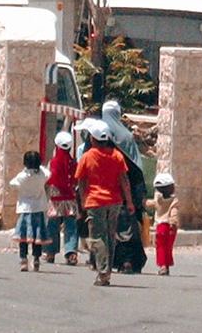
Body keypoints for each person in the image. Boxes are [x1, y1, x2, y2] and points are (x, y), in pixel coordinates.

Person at [74, 120, 134, 287]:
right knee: (110, 236)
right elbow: (124, 180)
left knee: (98, 238)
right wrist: (129, 202)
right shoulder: (117, 156)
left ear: (92, 139)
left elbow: (82, 182)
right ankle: (107, 269)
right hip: (114, 202)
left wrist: (84, 201)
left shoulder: (87, 157)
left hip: (95, 203)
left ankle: (103, 272)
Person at [101, 100, 148, 274]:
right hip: (126, 189)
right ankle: (128, 260)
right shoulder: (126, 137)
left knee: (104, 226)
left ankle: (104, 260)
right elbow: (137, 167)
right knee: (127, 225)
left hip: (104, 188)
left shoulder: (99, 136)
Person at [10, 149, 50, 272]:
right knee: (37, 237)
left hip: (25, 209)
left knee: (23, 237)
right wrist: (40, 168)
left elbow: (12, 183)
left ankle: (23, 261)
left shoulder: (22, 177)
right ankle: (36, 260)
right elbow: (48, 174)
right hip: (38, 208)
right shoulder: (42, 175)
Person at [44, 131, 80, 265]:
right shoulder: (72, 163)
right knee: (70, 225)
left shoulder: (53, 162)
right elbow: (76, 178)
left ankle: (50, 252)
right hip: (69, 195)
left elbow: (50, 178)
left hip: (56, 196)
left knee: (52, 224)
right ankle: (71, 253)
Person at [148, 172, 179, 275]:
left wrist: (142, 201)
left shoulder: (158, 200)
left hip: (160, 226)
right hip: (170, 227)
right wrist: (173, 223)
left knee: (160, 246)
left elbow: (150, 203)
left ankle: (163, 266)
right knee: (168, 247)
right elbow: (173, 212)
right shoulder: (174, 200)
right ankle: (167, 263)